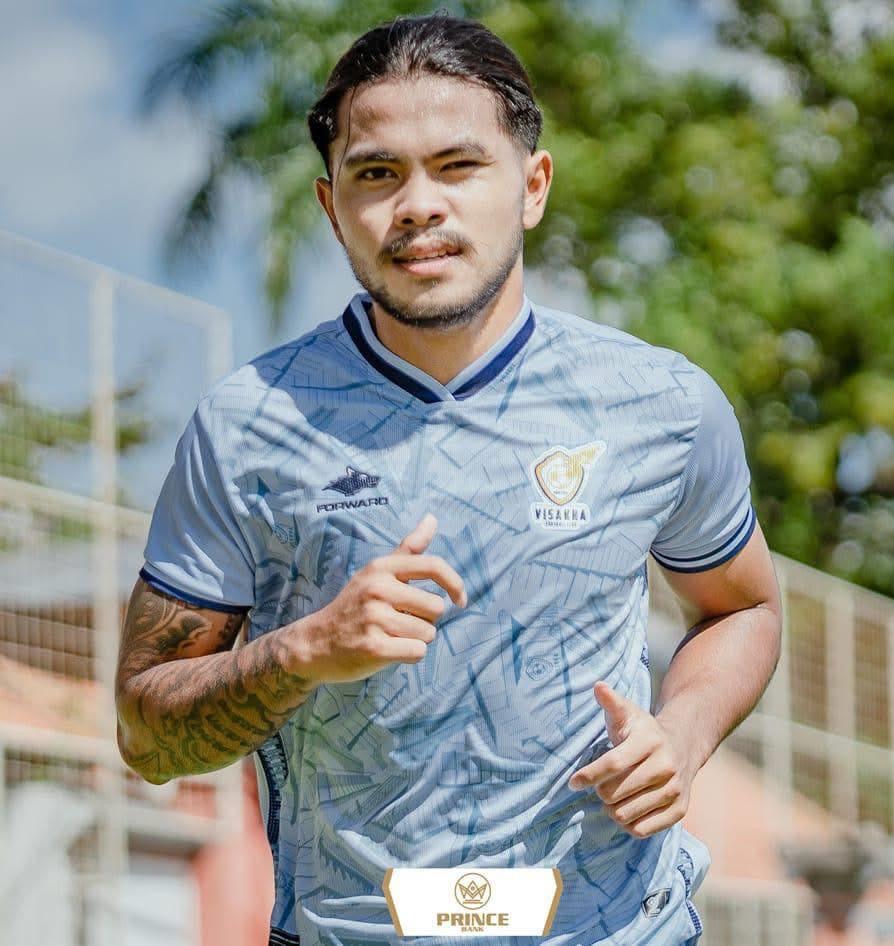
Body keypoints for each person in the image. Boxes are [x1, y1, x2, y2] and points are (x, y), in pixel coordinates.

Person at [115, 12, 781, 946]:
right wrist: (306, 650)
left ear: (532, 186)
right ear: (330, 205)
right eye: (377, 174)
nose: (417, 205)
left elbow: (744, 608)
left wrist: (685, 731)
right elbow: (146, 738)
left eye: (458, 166)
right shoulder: (248, 426)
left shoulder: (661, 402)